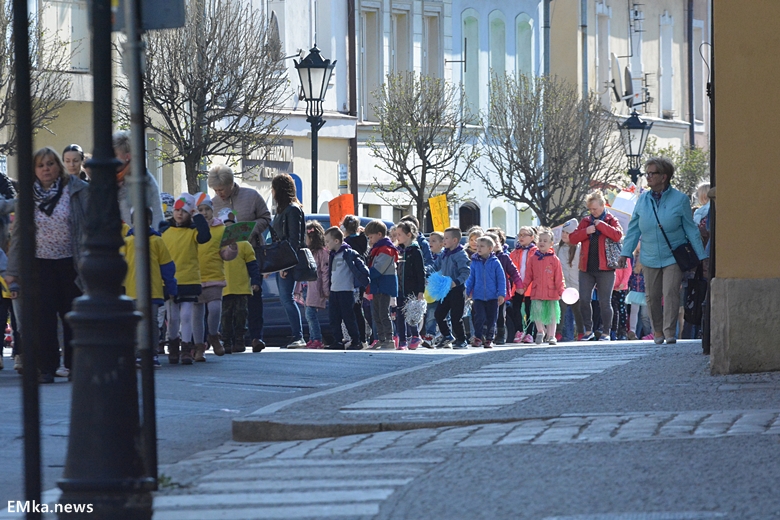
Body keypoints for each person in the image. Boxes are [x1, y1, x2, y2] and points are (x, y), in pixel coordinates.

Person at [6, 147, 89, 383]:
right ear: (34, 169)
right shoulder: (27, 198)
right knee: (43, 318)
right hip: (40, 264)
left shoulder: (75, 190)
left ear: (58, 166)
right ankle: (47, 367)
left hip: (70, 264)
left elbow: (88, 224)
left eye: (51, 164)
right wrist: (12, 271)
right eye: (41, 165)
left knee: (71, 316)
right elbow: (20, 235)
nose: (46, 169)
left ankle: (75, 366)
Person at [619, 157, 707, 344]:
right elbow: (634, 228)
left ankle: (669, 333)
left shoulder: (680, 199)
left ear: (664, 177)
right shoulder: (642, 200)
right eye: (647, 173)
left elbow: (690, 229)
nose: (648, 177)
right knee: (651, 296)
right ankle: (657, 331)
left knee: (671, 293)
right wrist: (625, 253)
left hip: (673, 255)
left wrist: (702, 255)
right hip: (649, 255)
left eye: (653, 173)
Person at [208, 164, 272, 351]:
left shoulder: (251, 196)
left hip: (250, 252)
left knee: (253, 296)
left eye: (221, 189)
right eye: (215, 190)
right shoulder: (213, 203)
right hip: (226, 260)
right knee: (228, 302)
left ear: (231, 184)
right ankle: (231, 338)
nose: (219, 193)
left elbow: (266, 218)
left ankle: (256, 337)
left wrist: (250, 229)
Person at [122, 207, 177, 368]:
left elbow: (167, 266)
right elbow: (120, 267)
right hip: (131, 291)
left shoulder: (157, 241)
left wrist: (171, 287)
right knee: (135, 323)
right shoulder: (127, 242)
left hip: (153, 290)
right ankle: (137, 353)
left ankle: (151, 353)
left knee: (151, 322)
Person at [161, 193, 211, 364]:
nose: (179, 214)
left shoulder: (193, 232)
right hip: (170, 280)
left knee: (187, 315)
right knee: (173, 317)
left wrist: (197, 214)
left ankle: (186, 348)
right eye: (177, 210)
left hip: (189, 278)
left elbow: (205, 236)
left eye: (184, 211)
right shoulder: (165, 231)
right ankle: (173, 346)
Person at [568, 191, 624, 341]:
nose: (592, 212)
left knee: (604, 302)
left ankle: (606, 332)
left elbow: (618, 236)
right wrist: (586, 231)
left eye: (595, 209)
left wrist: (603, 226)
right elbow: (572, 238)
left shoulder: (611, 219)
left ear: (603, 205)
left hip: (605, 268)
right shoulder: (586, 221)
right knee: (584, 300)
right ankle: (588, 331)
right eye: (590, 209)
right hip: (586, 268)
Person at [192, 193, 238, 361]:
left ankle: (213, 335)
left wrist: (232, 248)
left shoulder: (221, 229)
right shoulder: (192, 229)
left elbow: (225, 254)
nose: (204, 213)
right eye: (200, 210)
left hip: (214, 276)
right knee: (196, 314)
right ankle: (199, 346)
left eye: (206, 209)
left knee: (215, 309)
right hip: (195, 277)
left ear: (212, 210)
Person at [270, 174, 306, 349]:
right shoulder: (283, 210)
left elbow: (294, 240)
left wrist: (285, 265)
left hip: (288, 261)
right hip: (281, 260)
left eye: (274, 188)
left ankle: (299, 336)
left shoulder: (293, 210)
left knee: (287, 298)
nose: (272, 192)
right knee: (285, 299)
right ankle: (296, 335)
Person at [219, 209, 261, 355]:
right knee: (225, 316)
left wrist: (255, 281)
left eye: (232, 225)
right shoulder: (219, 245)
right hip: (224, 288)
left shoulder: (244, 245)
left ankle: (239, 340)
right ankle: (226, 341)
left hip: (242, 288)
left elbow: (252, 265)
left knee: (241, 315)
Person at [324, 226, 370, 350]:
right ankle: (337, 341)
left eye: (327, 241)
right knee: (334, 318)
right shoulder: (332, 255)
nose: (326, 244)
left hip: (346, 290)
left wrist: (362, 281)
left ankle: (356, 341)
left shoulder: (349, 253)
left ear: (336, 241)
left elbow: (362, 269)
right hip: (334, 290)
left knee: (348, 317)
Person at [519, 227, 565, 345]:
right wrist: (523, 286)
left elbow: (559, 277)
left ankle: (551, 336)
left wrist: (561, 291)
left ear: (551, 243)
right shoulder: (533, 258)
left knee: (552, 315)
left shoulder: (555, 260)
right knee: (537, 312)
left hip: (552, 292)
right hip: (537, 291)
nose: (542, 243)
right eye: (540, 240)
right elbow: (528, 275)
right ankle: (540, 331)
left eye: (545, 241)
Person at [113, 131, 164, 231]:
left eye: (115, 155)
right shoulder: (107, 177)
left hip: (135, 239)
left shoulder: (142, 179)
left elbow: (155, 214)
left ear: (128, 156)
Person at [465, 235, 506, 349]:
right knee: (479, 317)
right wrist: (467, 291)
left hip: (492, 297)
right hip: (478, 296)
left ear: (490, 248)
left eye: (482, 246)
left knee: (492, 318)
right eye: (478, 246)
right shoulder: (474, 262)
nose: (479, 248)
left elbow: (501, 279)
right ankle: (478, 337)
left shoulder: (495, 262)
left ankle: (489, 339)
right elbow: (471, 278)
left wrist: (501, 294)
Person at [434, 227, 471, 349]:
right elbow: (436, 266)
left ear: (455, 240)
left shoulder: (460, 254)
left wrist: (456, 282)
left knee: (456, 317)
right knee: (439, 314)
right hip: (445, 289)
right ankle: (447, 335)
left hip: (457, 289)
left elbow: (465, 272)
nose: (444, 240)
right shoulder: (444, 254)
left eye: (446, 238)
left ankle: (461, 339)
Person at [296, 221, 330, 349]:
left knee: (311, 314)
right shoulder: (307, 251)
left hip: (315, 288)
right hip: (307, 288)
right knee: (308, 314)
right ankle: (312, 338)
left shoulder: (322, 253)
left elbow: (324, 272)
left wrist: (325, 289)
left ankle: (317, 339)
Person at [365, 219, 398, 350]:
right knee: (376, 314)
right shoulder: (377, 249)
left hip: (384, 285)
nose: (370, 240)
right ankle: (381, 338)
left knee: (384, 313)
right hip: (377, 286)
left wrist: (366, 273)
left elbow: (379, 269)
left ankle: (389, 339)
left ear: (379, 234)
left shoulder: (386, 249)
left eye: (371, 237)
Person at [486, 229, 522, 345]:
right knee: (485, 315)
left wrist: (519, 285)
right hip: (486, 292)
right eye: (492, 241)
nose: (496, 244)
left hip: (501, 292)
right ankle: (486, 335)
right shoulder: (481, 259)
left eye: (497, 241)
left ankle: (500, 335)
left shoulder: (504, 257)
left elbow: (514, 272)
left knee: (500, 315)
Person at [395, 221, 426, 350]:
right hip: (399, 288)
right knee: (399, 314)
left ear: (408, 235)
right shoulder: (398, 250)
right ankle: (402, 340)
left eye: (399, 234)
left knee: (411, 313)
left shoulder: (415, 251)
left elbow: (421, 272)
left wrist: (420, 290)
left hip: (411, 289)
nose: (397, 237)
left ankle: (415, 335)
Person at [342, 215, 370, 345]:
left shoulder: (346, 243)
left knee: (352, 310)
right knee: (359, 310)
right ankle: (363, 337)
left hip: (350, 279)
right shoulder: (363, 241)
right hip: (361, 279)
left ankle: (356, 337)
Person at [509, 226, 538, 343]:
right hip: (517, 285)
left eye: (524, 235)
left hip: (531, 286)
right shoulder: (514, 252)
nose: (521, 237)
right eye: (520, 235)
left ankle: (530, 333)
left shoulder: (536, 252)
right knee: (516, 309)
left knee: (530, 310)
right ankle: (519, 330)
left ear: (532, 237)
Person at [421, 231, 444, 348]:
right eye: (429, 241)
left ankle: (445, 336)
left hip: (444, 290)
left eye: (434, 241)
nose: (430, 243)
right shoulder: (428, 257)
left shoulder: (445, 256)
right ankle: (430, 336)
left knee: (445, 315)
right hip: (431, 291)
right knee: (430, 313)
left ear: (442, 244)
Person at [626, 243, 648, 340]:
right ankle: (632, 332)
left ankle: (649, 333)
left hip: (646, 290)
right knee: (634, 311)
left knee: (645, 315)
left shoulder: (648, 257)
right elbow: (629, 273)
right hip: (635, 289)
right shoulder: (633, 258)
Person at [611, 256, 632, 340]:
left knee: (621, 309)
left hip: (621, 287)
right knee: (612, 309)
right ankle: (613, 331)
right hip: (610, 287)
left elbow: (628, 270)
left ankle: (622, 331)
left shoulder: (624, 255)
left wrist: (623, 283)